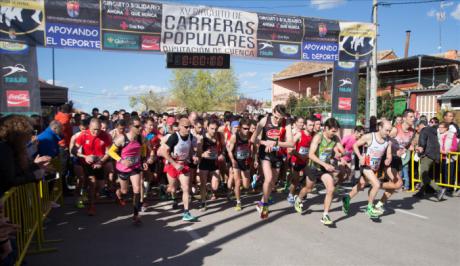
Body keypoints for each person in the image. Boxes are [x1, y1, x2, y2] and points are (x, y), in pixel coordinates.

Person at [293, 118, 344, 225]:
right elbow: (311, 154)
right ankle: (299, 199)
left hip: (324, 168)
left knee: (331, 188)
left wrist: (340, 154)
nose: (334, 134)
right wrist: (325, 164)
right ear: (326, 128)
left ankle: (325, 215)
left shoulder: (335, 138)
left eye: (336, 131)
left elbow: (342, 150)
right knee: (308, 188)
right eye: (333, 131)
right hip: (313, 167)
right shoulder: (318, 137)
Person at [342, 120, 392, 219]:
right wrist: (360, 157)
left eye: (390, 130)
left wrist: (388, 159)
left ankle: (347, 198)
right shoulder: (369, 136)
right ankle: (369, 208)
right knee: (376, 184)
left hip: (374, 167)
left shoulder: (388, 141)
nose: (388, 133)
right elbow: (355, 145)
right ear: (380, 128)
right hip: (365, 165)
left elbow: (389, 154)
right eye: (386, 130)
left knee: (361, 185)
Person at [251, 104, 294, 219]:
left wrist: (275, 143)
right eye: (276, 117)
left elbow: (291, 143)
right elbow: (253, 139)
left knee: (273, 182)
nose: (278, 120)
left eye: (280, 118)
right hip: (265, 153)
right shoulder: (265, 120)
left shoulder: (287, 123)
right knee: (268, 178)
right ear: (273, 113)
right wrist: (266, 143)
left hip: (278, 154)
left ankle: (261, 202)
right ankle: (265, 205)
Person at [108, 118, 147, 224]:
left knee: (137, 189)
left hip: (135, 166)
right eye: (137, 126)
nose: (140, 128)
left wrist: (143, 160)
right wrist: (121, 160)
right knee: (124, 191)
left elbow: (143, 148)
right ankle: (118, 193)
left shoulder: (141, 138)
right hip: (123, 168)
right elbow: (110, 151)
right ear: (130, 127)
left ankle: (136, 214)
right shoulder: (122, 138)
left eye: (141, 126)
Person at [0, 115, 51, 195]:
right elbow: (10, 180)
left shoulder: (14, 148)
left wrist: (35, 165)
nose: (30, 136)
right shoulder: (5, 149)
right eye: (29, 132)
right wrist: (34, 175)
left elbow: (19, 171)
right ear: (19, 134)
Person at [160, 117, 199, 221]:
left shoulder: (190, 136)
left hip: (184, 165)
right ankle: (166, 190)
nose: (188, 129)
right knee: (173, 188)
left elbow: (190, 150)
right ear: (180, 127)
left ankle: (186, 212)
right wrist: (174, 163)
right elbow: (163, 152)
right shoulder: (174, 137)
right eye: (186, 127)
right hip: (172, 165)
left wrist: (193, 157)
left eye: (190, 127)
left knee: (186, 188)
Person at [72, 118, 112, 216]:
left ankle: (92, 194)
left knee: (101, 185)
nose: (96, 132)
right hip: (86, 163)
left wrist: (101, 161)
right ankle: (91, 206)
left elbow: (109, 152)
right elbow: (73, 150)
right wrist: (85, 157)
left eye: (98, 129)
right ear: (89, 127)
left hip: (100, 163)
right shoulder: (83, 135)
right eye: (94, 129)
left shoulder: (105, 135)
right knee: (92, 183)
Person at [414, 120, 446, 201]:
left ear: (421, 125)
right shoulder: (432, 130)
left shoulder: (424, 130)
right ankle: (421, 192)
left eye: (418, 126)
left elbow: (422, 142)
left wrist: (419, 148)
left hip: (427, 154)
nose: (417, 128)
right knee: (425, 174)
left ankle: (439, 190)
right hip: (435, 155)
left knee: (423, 174)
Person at [197, 119, 224, 211]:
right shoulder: (202, 138)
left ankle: (209, 188)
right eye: (212, 128)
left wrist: (222, 154)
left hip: (214, 162)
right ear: (207, 128)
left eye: (215, 129)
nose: (214, 131)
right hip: (204, 163)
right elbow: (198, 154)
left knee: (215, 187)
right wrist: (202, 154)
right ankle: (203, 202)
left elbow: (223, 147)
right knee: (203, 184)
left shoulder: (220, 136)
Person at [287, 117, 314, 205]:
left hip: (305, 161)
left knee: (310, 179)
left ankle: (300, 194)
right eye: (310, 125)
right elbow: (290, 147)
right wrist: (299, 155)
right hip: (296, 161)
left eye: (313, 125)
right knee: (295, 181)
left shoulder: (312, 135)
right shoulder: (299, 134)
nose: (312, 127)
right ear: (305, 126)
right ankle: (290, 194)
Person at [227, 119, 252, 211]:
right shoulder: (235, 136)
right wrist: (233, 160)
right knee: (237, 182)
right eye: (245, 128)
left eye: (248, 129)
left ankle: (239, 189)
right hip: (236, 161)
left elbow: (254, 146)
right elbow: (229, 150)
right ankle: (238, 202)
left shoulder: (250, 135)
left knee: (246, 185)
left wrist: (254, 157)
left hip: (245, 161)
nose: (247, 130)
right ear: (240, 128)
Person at [437, 122, 457, 186]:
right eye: (439, 127)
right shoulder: (438, 135)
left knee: (449, 174)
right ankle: (442, 188)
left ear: (446, 128)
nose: (439, 129)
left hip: (449, 158)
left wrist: (448, 151)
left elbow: (454, 146)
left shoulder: (452, 135)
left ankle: (449, 189)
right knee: (441, 174)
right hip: (440, 157)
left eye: (441, 127)